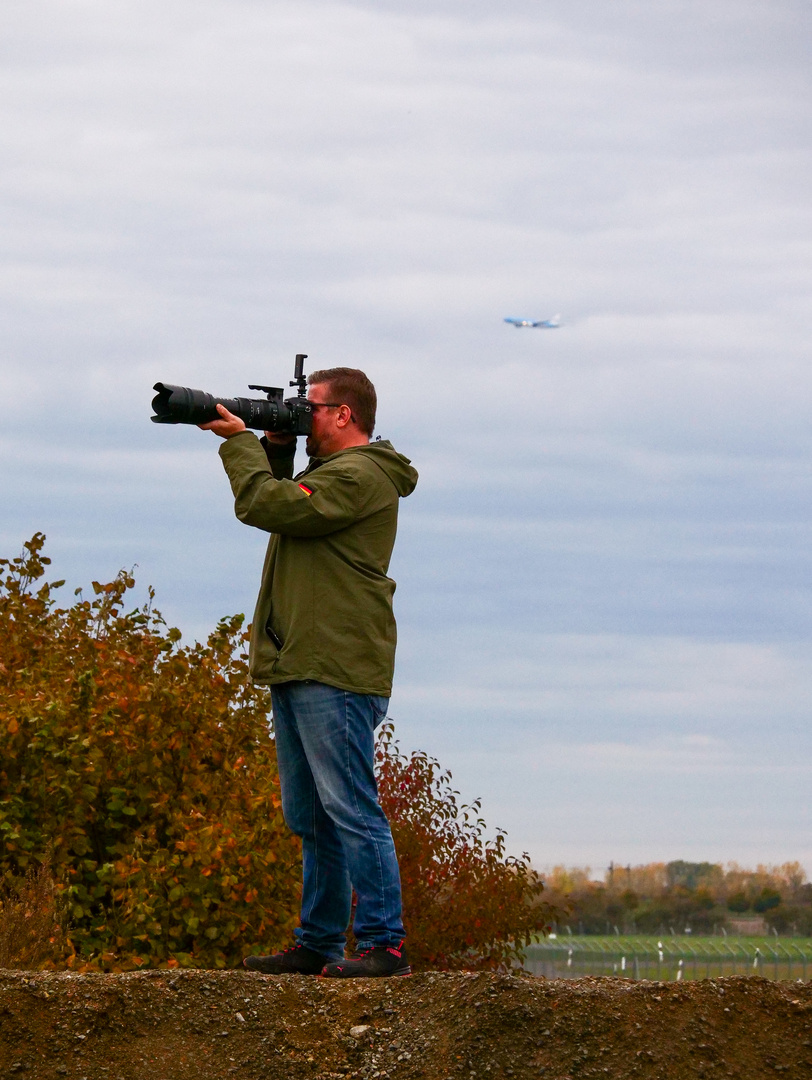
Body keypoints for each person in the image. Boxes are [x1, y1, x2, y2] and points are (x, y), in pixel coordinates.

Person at [199, 366, 418, 977]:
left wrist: (240, 444)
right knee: (312, 816)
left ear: (345, 414)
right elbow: (285, 503)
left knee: (350, 808)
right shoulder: (332, 476)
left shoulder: (361, 475)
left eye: (311, 409)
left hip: (337, 666)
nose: (303, 415)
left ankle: (384, 945)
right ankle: (319, 941)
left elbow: (268, 506)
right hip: (302, 659)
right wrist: (274, 446)